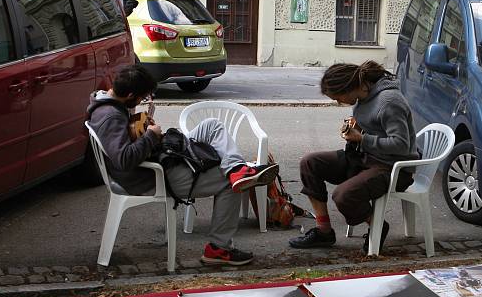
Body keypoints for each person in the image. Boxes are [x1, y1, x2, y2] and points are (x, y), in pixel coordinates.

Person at [87, 66, 278, 266]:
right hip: (154, 176)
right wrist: (151, 136)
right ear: (130, 94)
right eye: (141, 98)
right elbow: (124, 160)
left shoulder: (109, 103)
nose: (142, 101)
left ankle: (237, 168)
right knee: (230, 184)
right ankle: (219, 249)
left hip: (162, 158)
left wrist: (146, 133)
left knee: (212, 125)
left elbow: (126, 143)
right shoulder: (110, 117)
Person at [289, 60, 418, 253]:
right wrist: (356, 128)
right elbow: (374, 126)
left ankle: (377, 226)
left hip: (392, 167)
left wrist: (362, 138)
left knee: (343, 195)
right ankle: (324, 231)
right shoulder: (363, 97)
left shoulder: (389, 101)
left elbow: (401, 145)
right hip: (364, 158)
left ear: (349, 87)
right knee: (310, 163)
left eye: (337, 97)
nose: (338, 102)